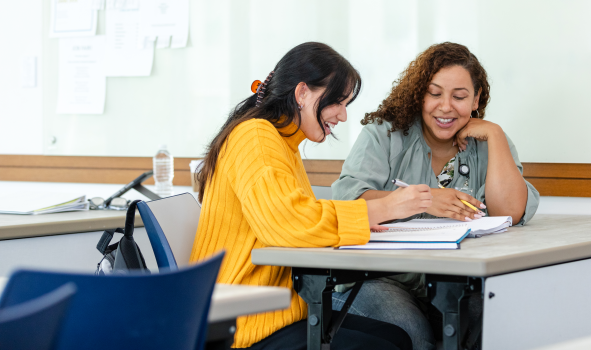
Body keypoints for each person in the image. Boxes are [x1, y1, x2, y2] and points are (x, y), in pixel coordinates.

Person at [190, 42, 431, 350]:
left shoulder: (281, 142)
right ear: (302, 93)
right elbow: (289, 223)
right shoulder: (256, 137)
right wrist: (379, 209)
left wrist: (362, 220)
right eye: (337, 103)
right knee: (390, 344)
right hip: (248, 323)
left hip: (276, 312)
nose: (343, 116)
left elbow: (299, 212)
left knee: (396, 337)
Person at [331, 42, 540, 350]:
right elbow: (349, 201)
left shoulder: (489, 141)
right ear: (420, 94)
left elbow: (512, 211)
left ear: (476, 98)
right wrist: (426, 200)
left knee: (497, 319)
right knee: (412, 332)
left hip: (457, 279)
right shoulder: (384, 132)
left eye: (459, 97)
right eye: (435, 93)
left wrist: (495, 134)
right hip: (379, 277)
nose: (445, 106)